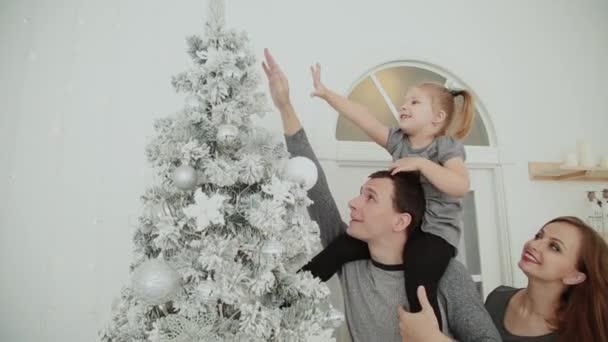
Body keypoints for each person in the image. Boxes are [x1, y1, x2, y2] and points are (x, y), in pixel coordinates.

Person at [262, 48, 500, 342]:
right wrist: (285, 105)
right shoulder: (350, 260)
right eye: (361, 194)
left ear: (401, 221)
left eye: (370, 197)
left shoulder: (449, 274)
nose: (353, 202)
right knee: (330, 254)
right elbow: (312, 179)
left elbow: (459, 184)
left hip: (436, 235)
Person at [300, 61, 474, 328]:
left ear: (437, 118)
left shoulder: (445, 147)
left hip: (436, 234)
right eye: (405, 101)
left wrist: (422, 164)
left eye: (414, 102)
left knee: (418, 280)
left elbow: (460, 185)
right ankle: (288, 294)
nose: (403, 106)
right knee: (340, 248)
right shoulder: (398, 141)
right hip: (405, 227)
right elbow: (362, 117)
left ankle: (426, 335)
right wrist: (326, 93)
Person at [399, 216, 608, 342]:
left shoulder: (573, 335)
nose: (534, 245)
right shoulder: (498, 298)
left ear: (575, 276)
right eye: (539, 236)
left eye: (554, 247)